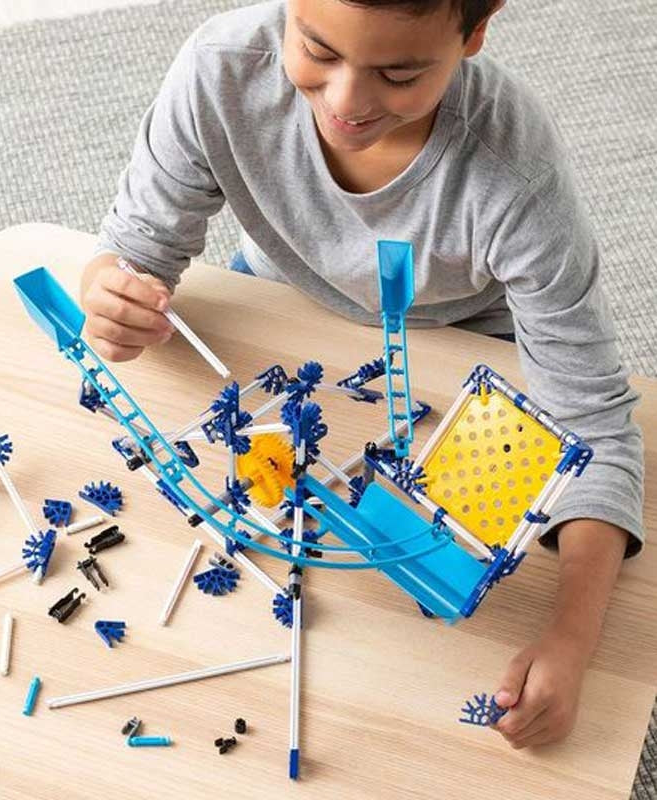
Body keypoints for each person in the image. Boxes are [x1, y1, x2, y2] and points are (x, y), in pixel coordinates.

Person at [79, 0, 644, 749]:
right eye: (316, 50)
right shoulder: (220, 69)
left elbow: (595, 421)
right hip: (281, 300)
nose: (346, 101)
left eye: (400, 73)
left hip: (467, 341)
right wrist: (111, 294)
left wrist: (573, 639)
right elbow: (133, 247)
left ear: (476, 32)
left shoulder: (514, 171)